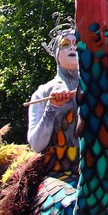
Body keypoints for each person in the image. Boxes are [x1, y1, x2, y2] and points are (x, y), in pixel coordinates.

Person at [27, 18, 79, 177]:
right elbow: (36, 144)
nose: (72, 47)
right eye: (65, 44)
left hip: (95, 173)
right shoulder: (42, 93)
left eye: (76, 44)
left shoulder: (94, 87)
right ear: (55, 53)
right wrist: (51, 109)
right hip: (55, 175)